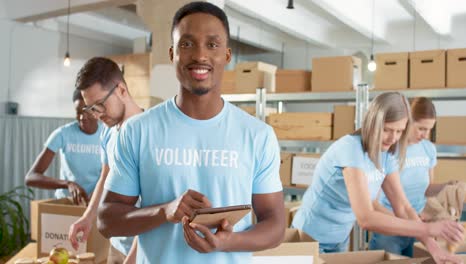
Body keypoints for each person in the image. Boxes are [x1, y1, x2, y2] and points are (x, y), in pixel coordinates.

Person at [97, 2, 285, 263]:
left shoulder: (257, 135)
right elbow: (106, 220)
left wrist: (228, 242)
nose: (200, 55)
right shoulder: (137, 131)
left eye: (212, 44)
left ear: (227, 56)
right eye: (187, 44)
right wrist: (164, 211)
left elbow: (275, 224)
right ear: (173, 54)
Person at [292, 92, 464, 264]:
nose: (393, 138)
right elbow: (366, 217)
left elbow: (403, 207)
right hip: (310, 236)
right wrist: (428, 228)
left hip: (339, 238)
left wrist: (433, 247)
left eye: (399, 131)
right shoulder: (351, 148)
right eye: (387, 129)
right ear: (373, 123)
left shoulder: (387, 155)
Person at [67, 57, 143, 264]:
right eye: (91, 108)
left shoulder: (149, 134)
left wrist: (134, 257)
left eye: (100, 104)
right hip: (117, 245)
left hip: (143, 251)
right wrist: (88, 218)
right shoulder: (108, 133)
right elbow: (105, 177)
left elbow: (153, 203)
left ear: (121, 90)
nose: (97, 115)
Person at [369, 97, 459, 257]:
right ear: (407, 122)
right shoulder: (388, 150)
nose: (426, 134)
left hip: (420, 226)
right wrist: (406, 223)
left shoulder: (428, 149)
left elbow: (427, 188)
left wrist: (448, 185)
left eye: (430, 129)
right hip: (391, 229)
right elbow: (373, 204)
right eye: (421, 128)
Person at [25, 89, 103, 205]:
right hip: (67, 202)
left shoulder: (108, 135)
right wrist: (67, 184)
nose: (82, 117)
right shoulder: (62, 134)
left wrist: (98, 193)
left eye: (86, 111)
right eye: (78, 112)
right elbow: (31, 178)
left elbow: (113, 175)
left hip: (96, 202)